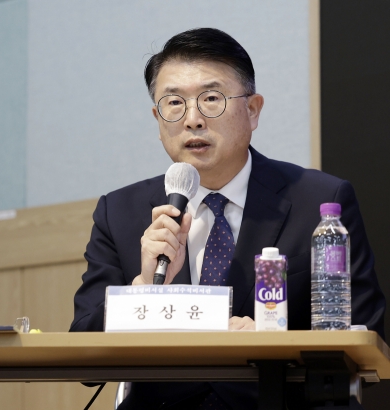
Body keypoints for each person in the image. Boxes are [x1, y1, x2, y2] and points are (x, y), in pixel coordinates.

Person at [70, 28, 385, 409]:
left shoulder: (320, 201)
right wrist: (142, 288)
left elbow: (367, 335)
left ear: (252, 110)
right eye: (174, 103)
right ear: (157, 118)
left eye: (212, 99)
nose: (193, 120)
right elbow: (83, 356)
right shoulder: (120, 212)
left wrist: (276, 339)